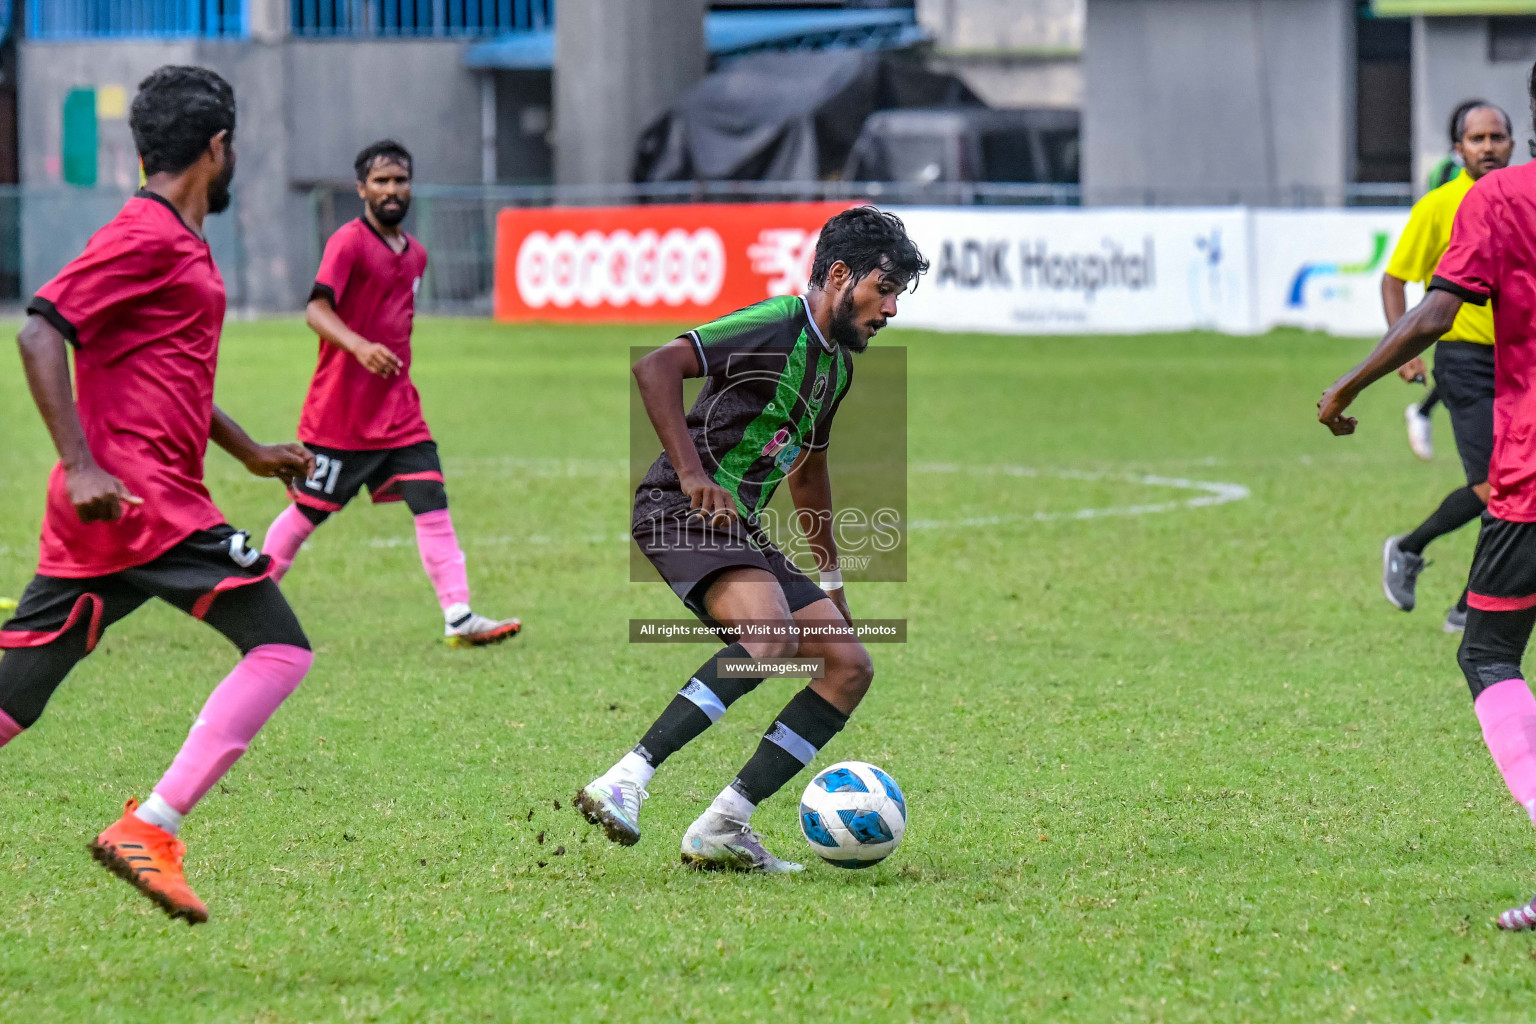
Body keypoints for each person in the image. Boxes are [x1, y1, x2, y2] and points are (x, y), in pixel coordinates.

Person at [0, 66, 316, 924]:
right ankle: (152, 827)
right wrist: (81, 463)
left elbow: (164, 368)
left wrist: (248, 450)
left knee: (13, 698)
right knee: (280, 650)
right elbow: (39, 332)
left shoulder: (172, 237)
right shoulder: (146, 236)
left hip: (110, 517)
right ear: (219, 147)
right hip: (144, 506)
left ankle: (152, 826)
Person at [575, 206, 927, 873]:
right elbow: (656, 366)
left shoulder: (837, 368)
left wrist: (831, 580)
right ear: (841, 275)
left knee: (849, 666)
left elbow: (810, 471)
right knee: (769, 640)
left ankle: (723, 825)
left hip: (740, 528)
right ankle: (625, 778)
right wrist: (691, 472)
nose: (890, 310)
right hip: (680, 509)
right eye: (885, 291)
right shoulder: (774, 323)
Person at [1318, 60, 1536, 930]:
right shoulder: (1465, 200)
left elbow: (1436, 309)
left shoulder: (1501, 202)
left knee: (1488, 654)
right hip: (1494, 414)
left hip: (1531, 471)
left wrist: (1348, 384)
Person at [260, 140, 518, 648]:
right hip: (340, 416)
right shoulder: (348, 244)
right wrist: (358, 346)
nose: (392, 190)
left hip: (399, 414)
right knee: (307, 514)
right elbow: (315, 309)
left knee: (431, 496)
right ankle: (251, 596)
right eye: (381, 181)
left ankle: (459, 615)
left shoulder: (416, 254)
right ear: (361, 189)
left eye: (400, 180)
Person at [1379, 102, 1513, 633]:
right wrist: (1403, 348)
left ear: (1511, 141)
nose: (1487, 146)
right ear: (1458, 148)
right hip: (1465, 362)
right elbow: (1394, 280)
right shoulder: (1439, 207)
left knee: (1518, 492)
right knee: (1494, 488)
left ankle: (1468, 603)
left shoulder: (1521, 197)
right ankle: (1410, 550)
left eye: (1496, 136)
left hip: (1521, 363)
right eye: (1475, 138)